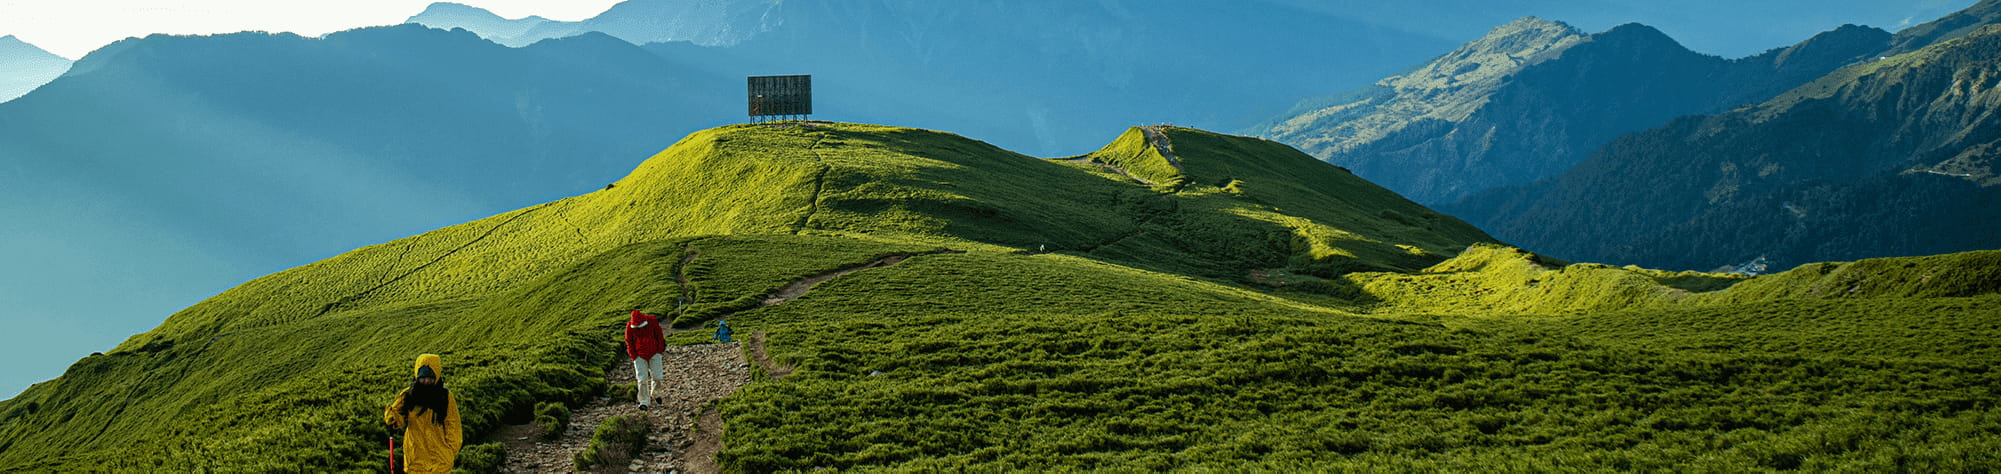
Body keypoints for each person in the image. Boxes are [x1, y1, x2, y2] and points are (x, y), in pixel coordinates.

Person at [383, 354, 462, 474]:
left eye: (430, 378)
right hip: (415, 459)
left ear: (437, 375)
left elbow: (453, 424)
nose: (426, 381)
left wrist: (450, 451)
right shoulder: (408, 396)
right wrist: (392, 418)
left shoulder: (445, 397)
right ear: (416, 376)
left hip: (439, 460)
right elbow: (399, 420)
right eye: (422, 377)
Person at [625, 309, 667, 408]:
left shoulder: (652, 321)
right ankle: (644, 401)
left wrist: (659, 351)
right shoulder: (629, 327)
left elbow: (659, 336)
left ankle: (656, 393)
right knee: (641, 379)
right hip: (639, 355)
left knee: (657, 376)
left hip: (654, 353)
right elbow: (629, 342)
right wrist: (634, 356)